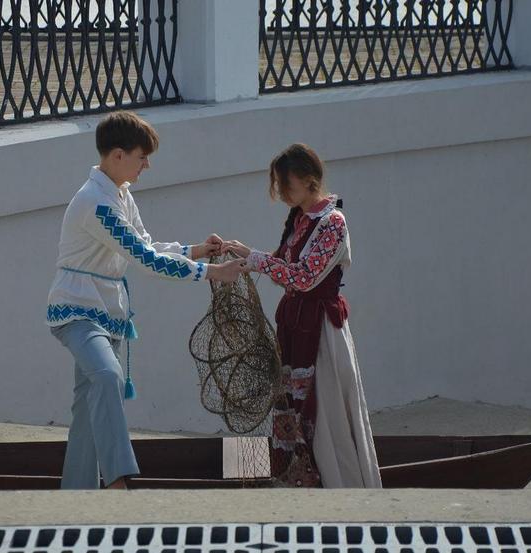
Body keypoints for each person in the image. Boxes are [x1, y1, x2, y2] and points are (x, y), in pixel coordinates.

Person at [46, 110, 245, 490]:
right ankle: (118, 477)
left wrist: (196, 250)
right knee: (107, 376)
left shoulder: (118, 194)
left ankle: (75, 497)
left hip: (108, 314)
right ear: (117, 155)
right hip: (78, 312)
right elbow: (146, 260)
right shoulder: (96, 203)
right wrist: (212, 273)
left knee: (89, 408)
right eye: (142, 156)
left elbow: (148, 245)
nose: (147, 165)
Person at [222, 143, 382, 488]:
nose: (281, 192)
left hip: (320, 331)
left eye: (286, 184)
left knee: (323, 411)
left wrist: (256, 259)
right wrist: (244, 256)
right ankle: (299, 477)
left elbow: (304, 277)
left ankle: (339, 484)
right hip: (295, 324)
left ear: (310, 180)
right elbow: (283, 267)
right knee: (294, 404)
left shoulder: (333, 223)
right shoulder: (300, 218)